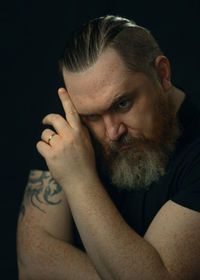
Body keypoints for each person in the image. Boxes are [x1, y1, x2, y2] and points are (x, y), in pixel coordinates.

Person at [17, 15, 200, 280]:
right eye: (92, 116)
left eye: (122, 104)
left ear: (162, 75)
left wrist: (78, 180)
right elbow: (32, 265)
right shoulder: (71, 129)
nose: (113, 132)